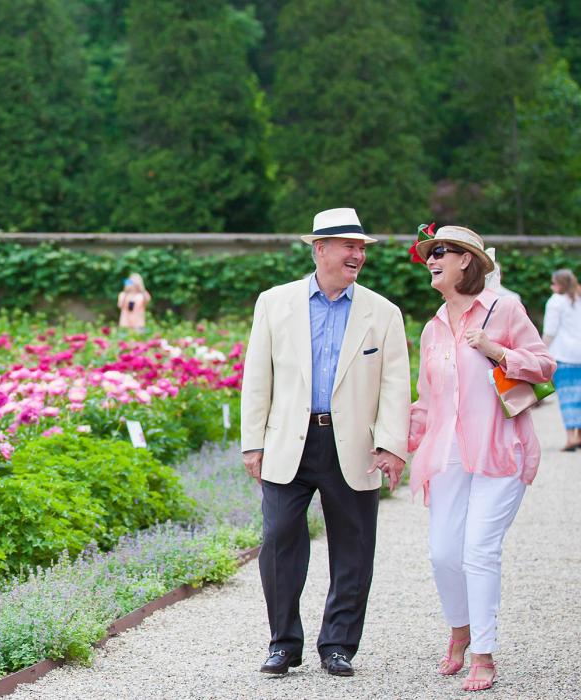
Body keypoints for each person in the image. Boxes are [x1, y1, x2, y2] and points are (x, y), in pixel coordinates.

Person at [241, 207, 411, 678]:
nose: (358, 255)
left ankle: (338, 645)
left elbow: (396, 384)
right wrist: (252, 443)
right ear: (320, 250)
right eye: (349, 246)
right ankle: (283, 643)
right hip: (286, 444)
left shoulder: (384, 312)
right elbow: (257, 378)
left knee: (354, 549)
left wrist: (393, 444)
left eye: (361, 248)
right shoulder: (274, 303)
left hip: (352, 445)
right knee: (277, 542)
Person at [408, 226, 554, 692]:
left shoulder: (503, 308)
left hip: (500, 448)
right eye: (429, 254)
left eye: (441, 252)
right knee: (443, 553)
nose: (432, 260)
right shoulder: (432, 327)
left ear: (466, 261)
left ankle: (484, 654)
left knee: (479, 551)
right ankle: (460, 630)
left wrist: (495, 349)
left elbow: (544, 365)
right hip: (446, 452)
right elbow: (426, 400)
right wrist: (396, 446)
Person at [543, 269, 581, 451]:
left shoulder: (555, 302)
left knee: (567, 397)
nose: (552, 286)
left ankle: (570, 437)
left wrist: (541, 350)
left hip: (564, 355)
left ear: (560, 284)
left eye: (553, 283)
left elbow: (550, 331)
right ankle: (579, 435)